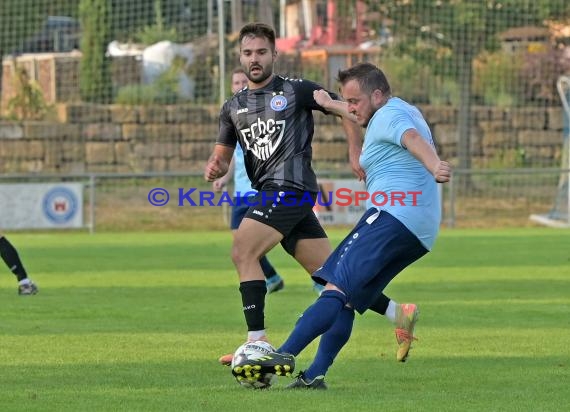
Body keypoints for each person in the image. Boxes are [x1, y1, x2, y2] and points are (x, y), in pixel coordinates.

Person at [232, 62, 452, 389]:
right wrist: (329, 102)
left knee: (334, 288)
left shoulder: (390, 117)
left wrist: (434, 163)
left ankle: (282, 355)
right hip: (420, 230)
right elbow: (361, 113)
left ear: (377, 95)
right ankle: (315, 375)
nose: (350, 109)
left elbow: (412, 139)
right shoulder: (397, 108)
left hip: (392, 217)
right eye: (347, 102)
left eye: (355, 102)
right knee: (348, 297)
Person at [204, 22, 370, 366]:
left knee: (241, 251)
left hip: (289, 188)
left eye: (261, 52)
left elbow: (348, 111)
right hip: (271, 192)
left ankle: (257, 341)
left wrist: (355, 154)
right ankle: (400, 315)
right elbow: (221, 155)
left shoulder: (296, 90)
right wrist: (215, 166)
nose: (255, 59)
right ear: (240, 56)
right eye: (248, 53)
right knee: (335, 279)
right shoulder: (232, 107)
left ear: (274, 55)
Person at [213, 67, 285, 295]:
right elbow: (230, 155)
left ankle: (320, 280)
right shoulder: (232, 115)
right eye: (235, 82)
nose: (239, 85)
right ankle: (272, 277)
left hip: (261, 190)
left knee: (266, 241)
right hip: (240, 193)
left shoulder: (263, 114)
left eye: (242, 81)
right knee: (240, 241)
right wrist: (224, 178)